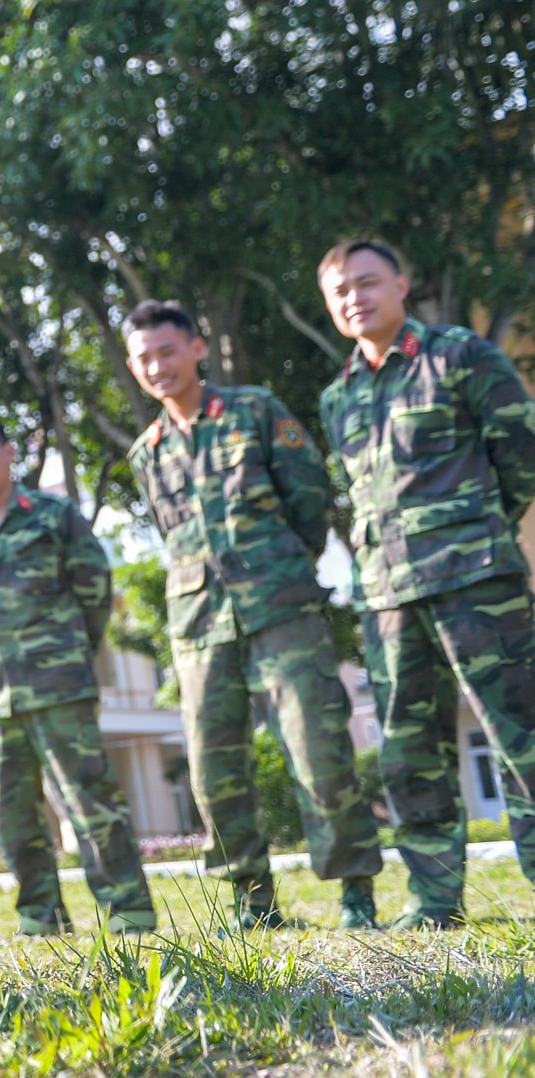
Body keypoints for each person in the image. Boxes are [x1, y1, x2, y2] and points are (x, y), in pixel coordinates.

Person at [121, 300, 384, 930]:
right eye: (143, 358)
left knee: (318, 748)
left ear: (196, 349)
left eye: (166, 351)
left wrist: (280, 569)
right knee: (213, 769)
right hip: (198, 627)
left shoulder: (255, 411)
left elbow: (309, 500)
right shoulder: (147, 452)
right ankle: (251, 903)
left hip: (281, 609)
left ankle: (354, 893)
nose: (156, 366)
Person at [317, 239, 535, 928]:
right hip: (386, 599)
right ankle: (435, 899)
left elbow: (521, 457)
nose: (355, 297)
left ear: (403, 283)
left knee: (519, 731)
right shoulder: (338, 395)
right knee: (410, 753)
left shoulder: (462, 356)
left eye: (368, 281)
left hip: (477, 579)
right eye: (340, 290)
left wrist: (475, 531)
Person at [0, 416, 157, 935]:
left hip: (59, 686)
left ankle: (129, 910)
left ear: (9, 452)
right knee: (15, 818)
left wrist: (66, 650)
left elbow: (93, 590)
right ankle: (41, 915)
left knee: (91, 802)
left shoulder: (54, 516)